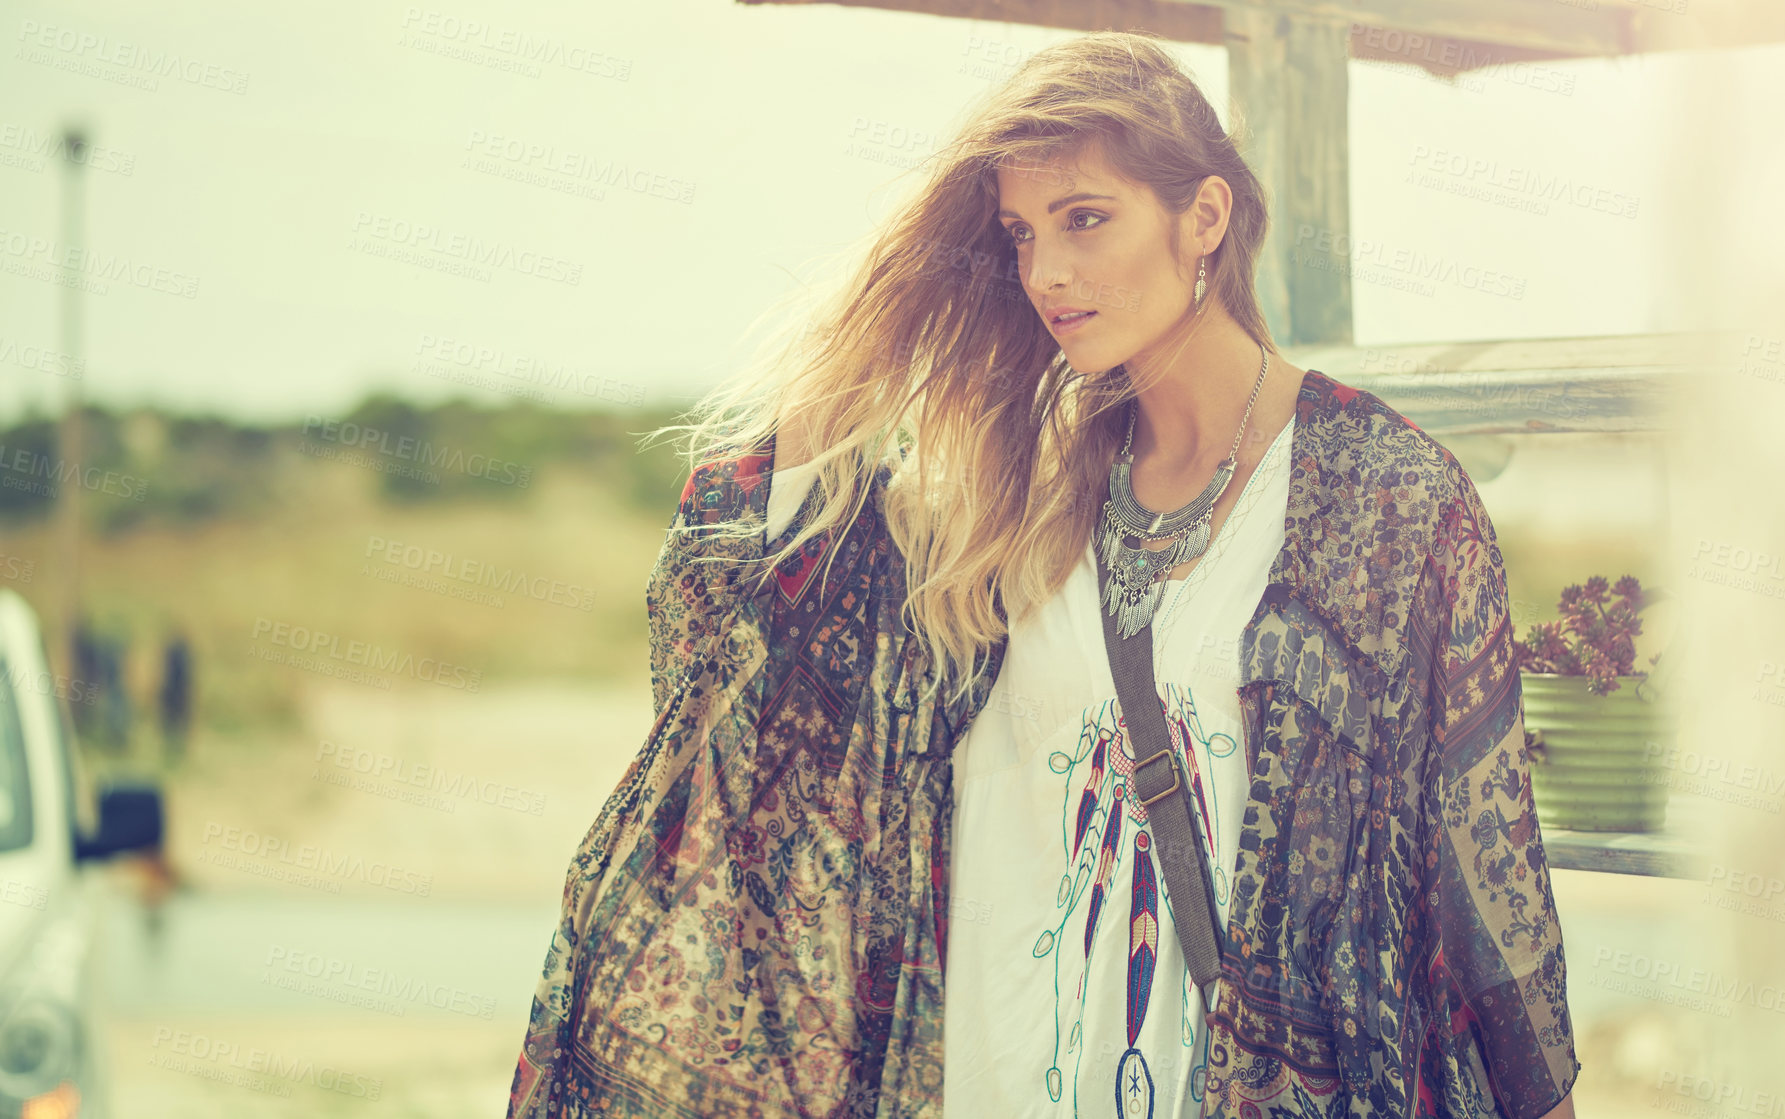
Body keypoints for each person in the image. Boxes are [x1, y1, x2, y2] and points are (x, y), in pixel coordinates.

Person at [505, 30, 1578, 1119]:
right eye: (1020, 235)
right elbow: (745, 619)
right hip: (993, 1076)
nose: (1046, 274)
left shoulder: (1385, 501)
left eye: (1086, 219)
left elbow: (1487, 893)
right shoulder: (1007, 500)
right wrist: (925, 270)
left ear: (1203, 217)